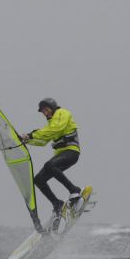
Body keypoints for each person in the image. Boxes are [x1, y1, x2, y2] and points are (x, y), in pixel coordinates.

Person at [21, 97, 84, 232]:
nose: (45, 113)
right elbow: (43, 141)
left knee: (49, 165)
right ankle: (57, 203)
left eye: (46, 110)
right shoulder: (51, 123)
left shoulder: (62, 113)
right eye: (43, 112)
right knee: (38, 180)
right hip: (60, 155)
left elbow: (55, 129)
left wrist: (31, 134)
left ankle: (74, 191)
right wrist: (24, 141)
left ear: (52, 106)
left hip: (71, 152)